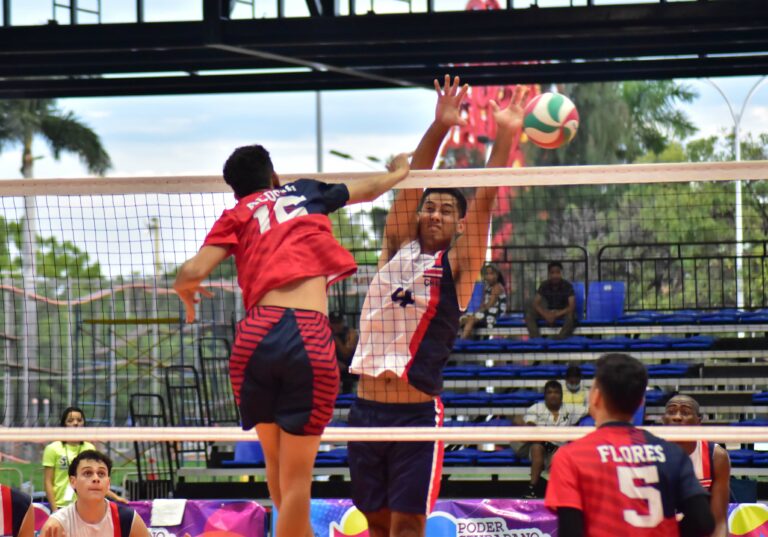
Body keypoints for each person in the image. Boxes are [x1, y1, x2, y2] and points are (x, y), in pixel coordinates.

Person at [173, 143, 410, 537]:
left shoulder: (237, 212)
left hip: (254, 335)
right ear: (274, 177)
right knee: (298, 478)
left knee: (276, 465)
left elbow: (190, 272)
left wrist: (187, 292)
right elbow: (369, 189)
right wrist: (398, 172)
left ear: (238, 190)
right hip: (306, 334)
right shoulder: (304, 191)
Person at [347, 75, 529, 537]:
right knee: (376, 525)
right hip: (366, 411)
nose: (435, 213)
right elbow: (412, 184)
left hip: (414, 416)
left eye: (447, 210)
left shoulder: (459, 268)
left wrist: (505, 134)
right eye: (432, 207)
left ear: (459, 225)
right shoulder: (394, 247)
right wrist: (440, 126)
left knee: (408, 526)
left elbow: (485, 199)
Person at [545, 353, 715, 537]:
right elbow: (703, 521)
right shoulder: (671, 453)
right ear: (640, 402)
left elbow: (571, 532)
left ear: (596, 397)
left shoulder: (571, 457)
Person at [663, 394, 731, 537]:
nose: (677, 417)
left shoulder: (716, 456)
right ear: (663, 420)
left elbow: (719, 521)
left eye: (685, 413)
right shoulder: (648, 452)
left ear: (698, 421)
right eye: (671, 412)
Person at [40, 450, 150, 537]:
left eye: (101, 473)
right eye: (88, 473)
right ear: (73, 481)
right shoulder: (56, 524)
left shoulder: (128, 519)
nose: (96, 478)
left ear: (108, 483)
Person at [43, 406, 127, 512]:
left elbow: (95, 480)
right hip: (61, 506)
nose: (76, 423)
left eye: (79, 420)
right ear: (64, 425)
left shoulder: (89, 448)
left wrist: (116, 497)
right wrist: (55, 510)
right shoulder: (53, 448)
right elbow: (48, 482)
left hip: (85, 506)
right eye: (70, 420)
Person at [516, 380, 581, 498]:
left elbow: (590, 409)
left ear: (561, 395)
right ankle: (532, 489)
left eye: (556, 392)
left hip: (559, 449)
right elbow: (529, 425)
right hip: (539, 446)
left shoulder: (570, 409)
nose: (553, 395)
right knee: (536, 447)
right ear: (545, 395)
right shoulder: (537, 408)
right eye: (549, 392)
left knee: (558, 455)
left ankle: (557, 491)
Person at [524, 261, 575, 339]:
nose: (555, 275)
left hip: (561, 313)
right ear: (549, 274)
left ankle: (560, 339)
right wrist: (546, 315)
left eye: (557, 272)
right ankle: (536, 340)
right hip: (547, 312)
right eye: (552, 273)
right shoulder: (544, 285)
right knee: (529, 315)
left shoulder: (567, 286)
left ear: (561, 273)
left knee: (571, 316)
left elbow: (572, 306)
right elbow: (535, 303)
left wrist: (556, 315)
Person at [459, 263, 508, 339]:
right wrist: (477, 312)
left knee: (471, 319)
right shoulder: (486, 287)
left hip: (494, 313)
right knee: (463, 319)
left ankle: (462, 341)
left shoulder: (497, 287)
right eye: (487, 274)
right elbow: (483, 303)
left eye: (491, 274)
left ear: (497, 275)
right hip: (485, 312)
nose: (488, 276)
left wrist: (478, 312)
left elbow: (490, 304)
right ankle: (459, 341)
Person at [329, 311, 360, 393]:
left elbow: (346, 353)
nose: (337, 326)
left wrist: (335, 338)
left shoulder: (351, 333)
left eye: (339, 323)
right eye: (334, 323)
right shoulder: (326, 334)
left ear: (343, 322)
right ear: (330, 324)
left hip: (350, 368)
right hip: (333, 368)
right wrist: (335, 362)